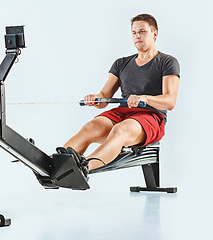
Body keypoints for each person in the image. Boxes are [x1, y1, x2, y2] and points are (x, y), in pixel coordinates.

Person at [59, 14, 180, 175]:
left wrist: (144, 98)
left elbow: (170, 101)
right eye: (134, 32)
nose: (137, 36)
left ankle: (83, 168)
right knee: (90, 127)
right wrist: (95, 99)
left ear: (154, 34)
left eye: (142, 31)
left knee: (120, 130)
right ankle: (55, 166)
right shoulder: (121, 63)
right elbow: (104, 97)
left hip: (151, 116)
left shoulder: (167, 62)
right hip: (123, 113)